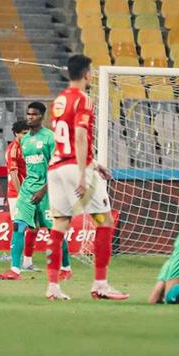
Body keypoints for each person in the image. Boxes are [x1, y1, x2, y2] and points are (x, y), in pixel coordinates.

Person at [44, 54, 127, 301]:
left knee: (59, 225)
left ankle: (52, 287)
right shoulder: (84, 99)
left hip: (56, 168)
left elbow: (65, 138)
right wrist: (83, 173)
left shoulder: (59, 100)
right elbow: (79, 136)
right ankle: (100, 284)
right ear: (87, 74)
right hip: (75, 168)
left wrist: (94, 164)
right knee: (104, 221)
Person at [0, 102, 72, 280]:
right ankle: (15, 270)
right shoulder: (25, 140)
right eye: (28, 114)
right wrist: (24, 191)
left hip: (48, 191)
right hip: (27, 189)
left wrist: (43, 191)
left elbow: (57, 169)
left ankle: (66, 267)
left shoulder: (50, 138)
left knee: (54, 231)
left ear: (42, 116)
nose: (30, 117)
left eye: (34, 114)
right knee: (18, 226)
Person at [4, 119, 34, 269]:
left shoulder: (31, 146)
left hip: (33, 191)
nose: (27, 135)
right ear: (16, 134)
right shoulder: (13, 149)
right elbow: (14, 174)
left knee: (34, 227)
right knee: (19, 227)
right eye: (24, 133)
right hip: (17, 193)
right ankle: (15, 265)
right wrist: (22, 195)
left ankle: (27, 262)